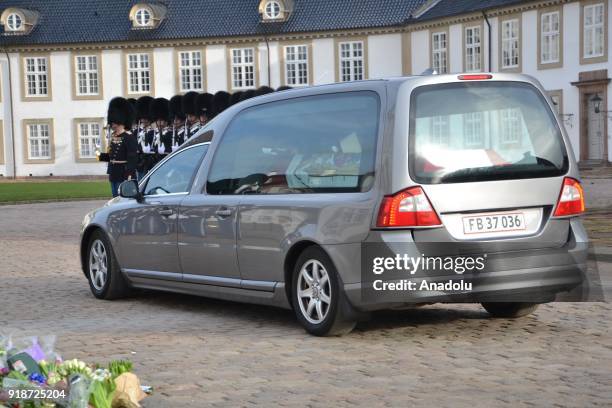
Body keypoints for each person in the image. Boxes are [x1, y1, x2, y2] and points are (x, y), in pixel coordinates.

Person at [98, 97, 138, 198]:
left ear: (119, 120)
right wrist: (99, 155)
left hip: (123, 173)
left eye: (113, 122)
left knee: (123, 199)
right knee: (114, 197)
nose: (112, 124)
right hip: (113, 173)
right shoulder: (113, 137)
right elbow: (112, 156)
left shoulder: (129, 137)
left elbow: (132, 158)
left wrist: (129, 174)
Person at [135, 96, 155, 180]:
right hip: (139, 163)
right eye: (142, 118)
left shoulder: (154, 131)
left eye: (145, 118)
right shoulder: (137, 131)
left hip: (150, 163)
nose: (143, 120)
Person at [150, 97, 173, 162]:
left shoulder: (171, 134)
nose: (161, 124)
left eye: (163, 120)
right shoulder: (152, 133)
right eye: (159, 120)